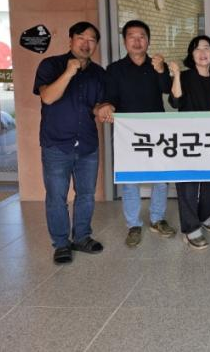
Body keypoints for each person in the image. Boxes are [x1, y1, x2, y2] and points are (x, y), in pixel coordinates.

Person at [95, 20, 176, 248]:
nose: (137, 41)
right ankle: (133, 224)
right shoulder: (115, 69)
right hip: (127, 133)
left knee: (161, 178)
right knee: (130, 180)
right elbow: (110, 97)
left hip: (156, 131)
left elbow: (167, 89)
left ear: (148, 41)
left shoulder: (156, 64)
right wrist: (108, 106)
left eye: (142, 36)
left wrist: (161, 70)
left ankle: (157, 219)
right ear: (125, 41)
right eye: (132, 36)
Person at [33, 21, 105, 265]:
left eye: (92, 40)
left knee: (86, 194)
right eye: (81, 38)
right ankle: (61, 243)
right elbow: (47, 97)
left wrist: (102, 110)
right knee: (56, 196)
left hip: (87, 145)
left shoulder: (99, 73)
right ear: (71, 40)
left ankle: (82, 237)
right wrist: (68, 72)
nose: (86, 43)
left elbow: (95, 106)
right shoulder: (51, 65)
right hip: (56, 145)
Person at [168, 35, 210, 250]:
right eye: (197, 48)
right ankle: (191, 229)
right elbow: (176, 101)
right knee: (188, 184)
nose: (202, 52)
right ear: (191, 55)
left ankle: (205, 215)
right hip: (188, 139)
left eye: (207, 48)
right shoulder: (184, 76)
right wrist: (176, 76)